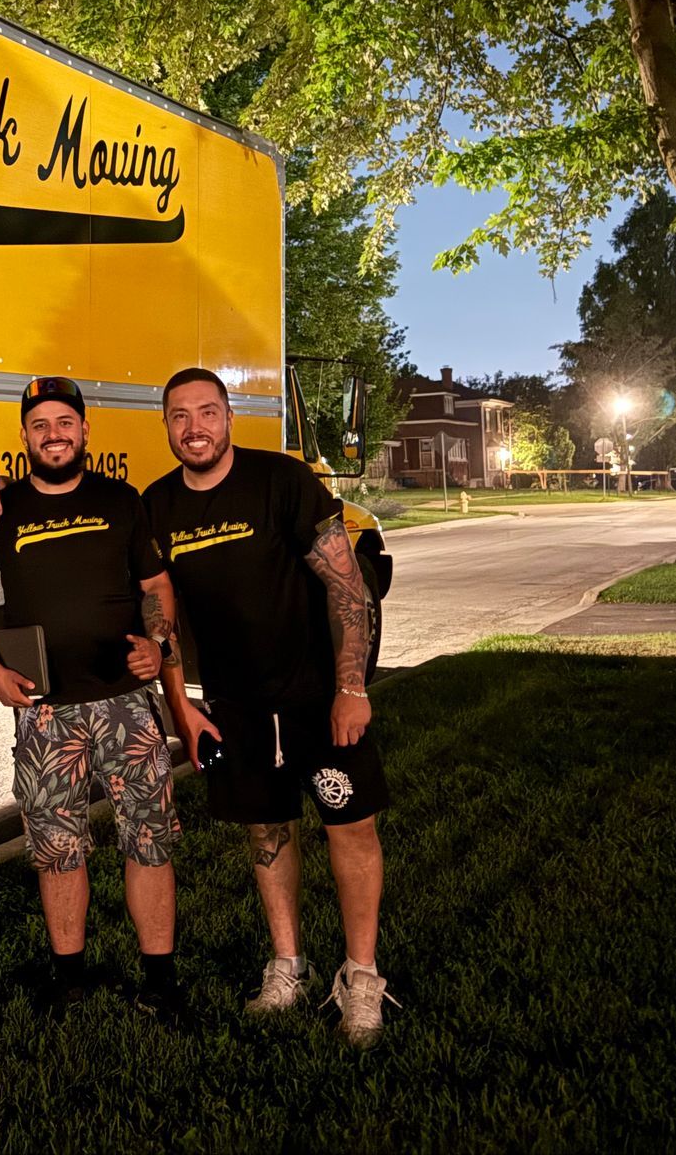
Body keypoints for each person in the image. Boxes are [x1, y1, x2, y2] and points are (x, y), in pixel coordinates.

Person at [144, 367, 395, 1047]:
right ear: (165, 426)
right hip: (235, 705)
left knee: (350, 827)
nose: (194, 427)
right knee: (265, 833)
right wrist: (182, 709)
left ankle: (363, 976)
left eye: (206, 412)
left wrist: (351, 687)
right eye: (179, 416)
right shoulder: (159, 505)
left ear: (228, 417)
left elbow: (348, 588)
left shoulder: (282, 481)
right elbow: (160, 619)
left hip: (317, 698)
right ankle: (288, 965)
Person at [0, 376, 186, 1021]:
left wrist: (157, 644)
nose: (53, 434)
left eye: (64, 423)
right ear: (23, 437)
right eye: (39, 425)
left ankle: (159, 979)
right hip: (45, 710)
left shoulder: (122, 501)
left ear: (84, 431)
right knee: (57, 847)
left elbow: (157, 585)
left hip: (126, 704)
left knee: (149, 840)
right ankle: (69, 975)